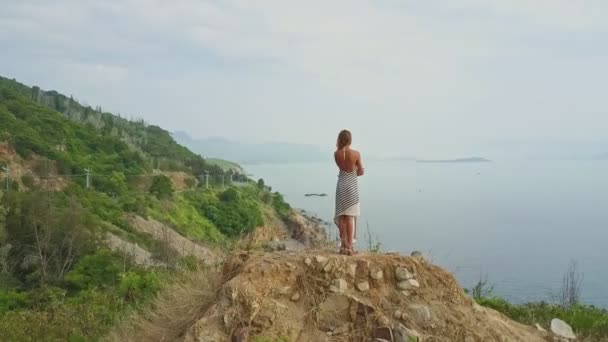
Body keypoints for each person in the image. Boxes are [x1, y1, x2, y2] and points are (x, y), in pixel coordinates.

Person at [334, 129, 364, 255]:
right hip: (351, 187)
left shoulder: (336, 154)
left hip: (341, 186)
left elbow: (342, 168)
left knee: (342, 217)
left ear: (340, 139)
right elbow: (360, 171)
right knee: (350, 217)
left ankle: (343, 246)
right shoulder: (356, 154)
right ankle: (350, 247)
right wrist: (357, 170)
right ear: (350, 139)